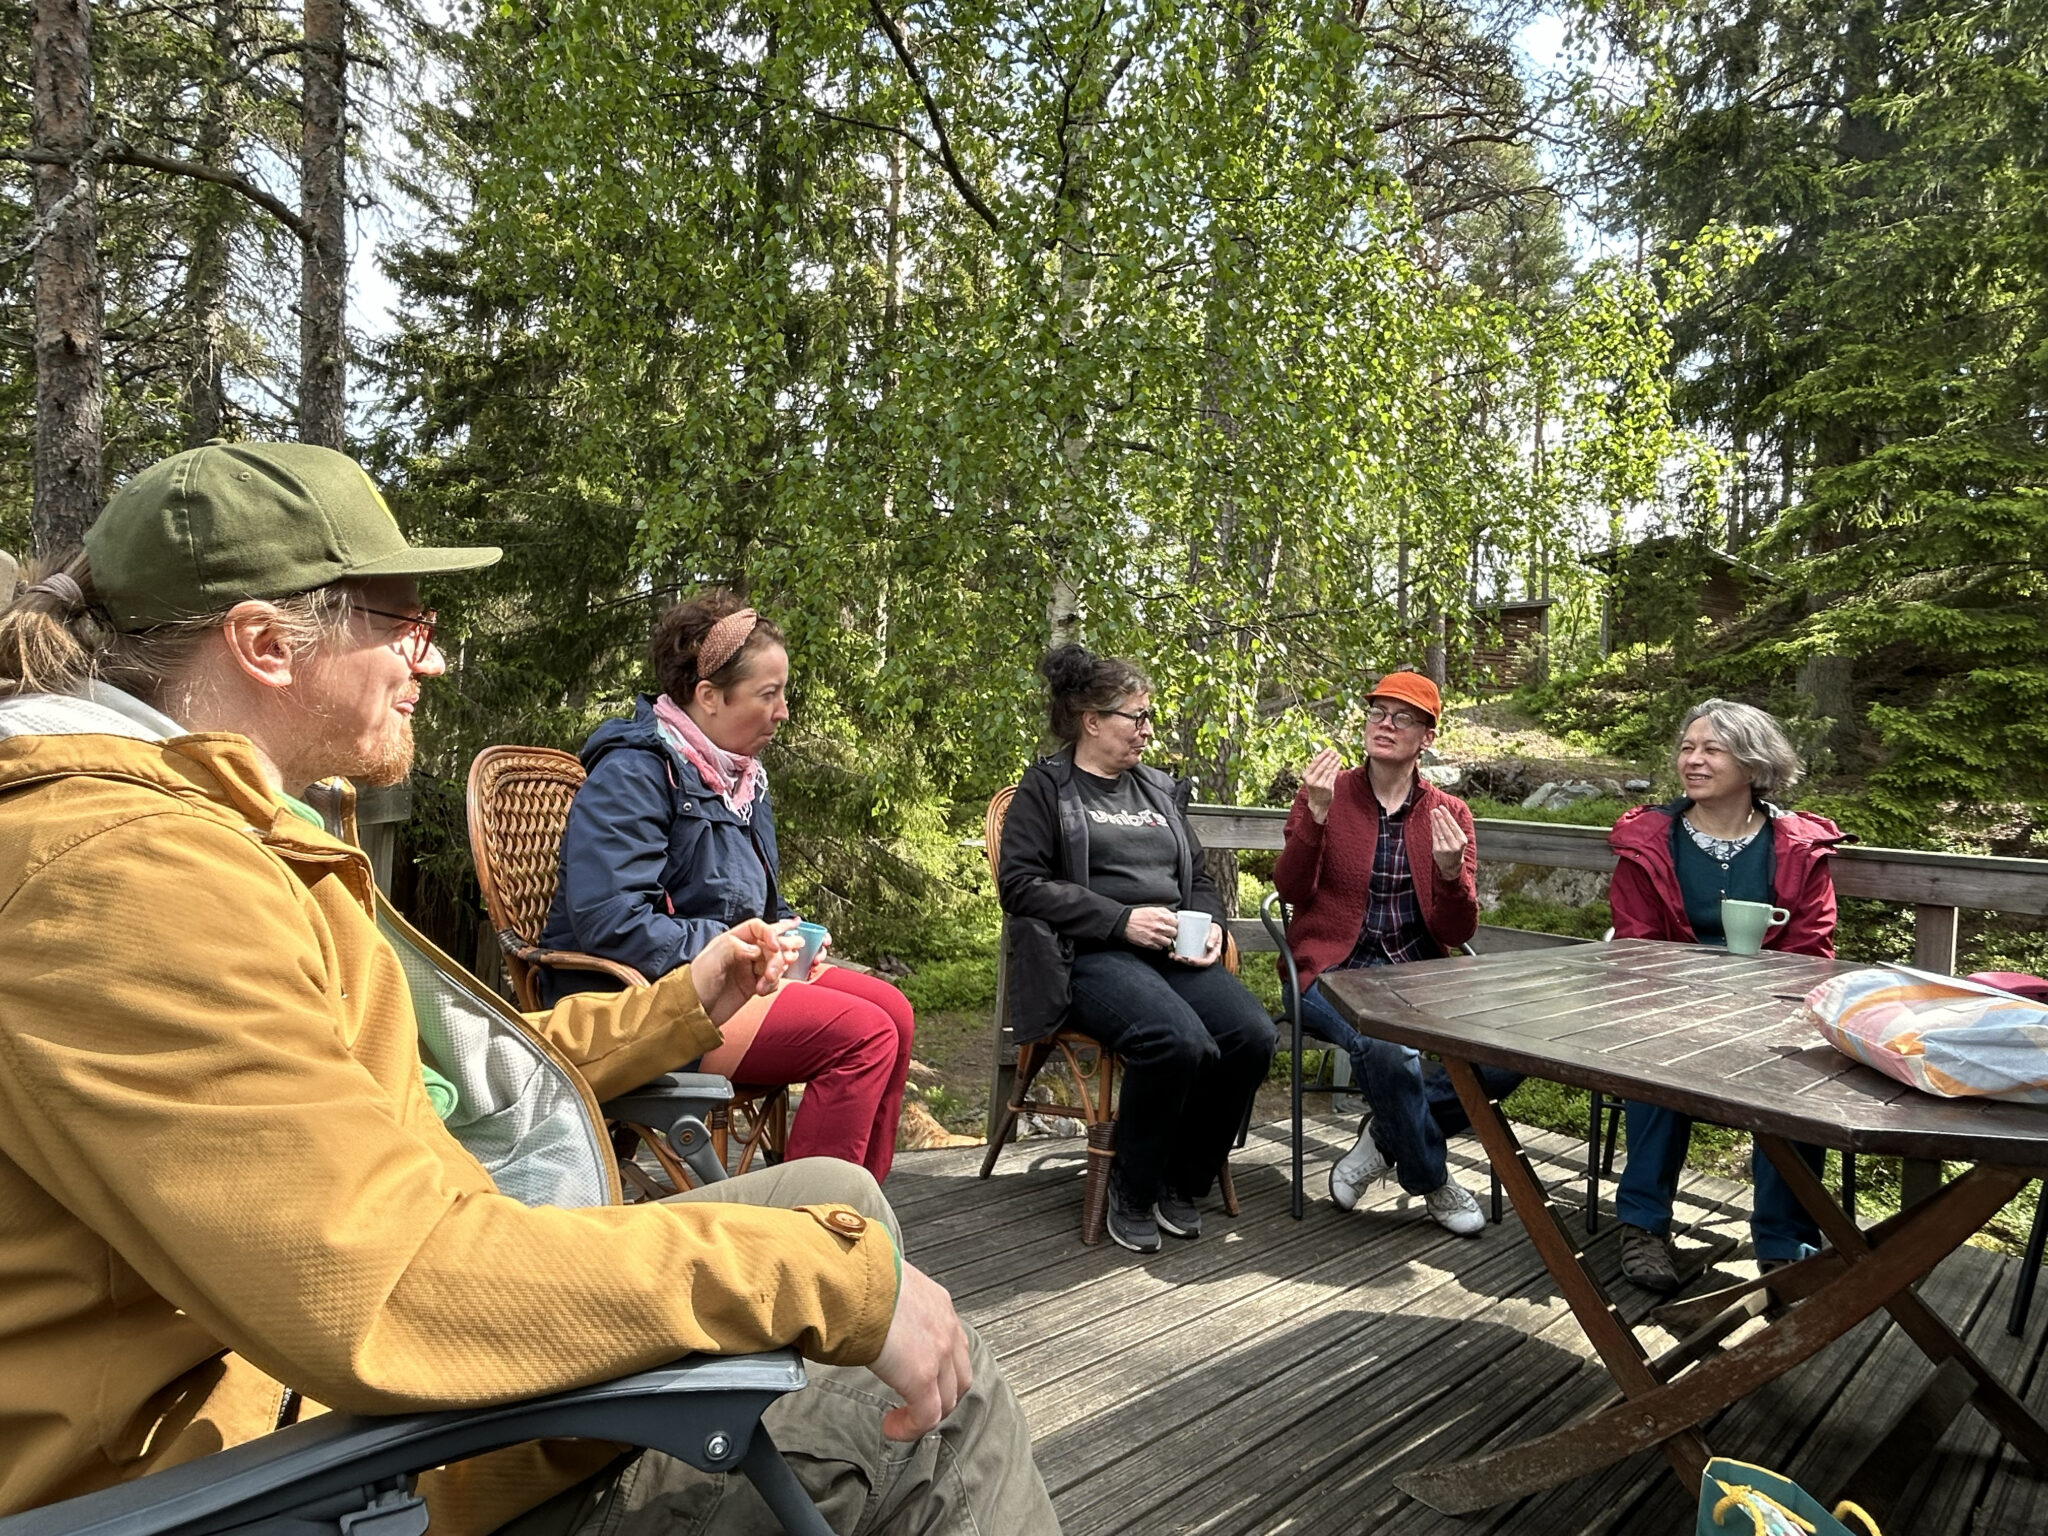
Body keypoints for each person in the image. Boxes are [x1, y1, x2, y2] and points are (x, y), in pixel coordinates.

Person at [0, 441, 1057, 1536]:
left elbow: (452, 1073)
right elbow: (385, 1286)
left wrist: (686, 997)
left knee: (836, 1198)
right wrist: (820, 1285)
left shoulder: (245, 833)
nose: (434, 660)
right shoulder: (121, 875)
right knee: (932, 1405)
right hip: (305, 1469)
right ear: (266, 644)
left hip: (365, 1374)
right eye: (405, 625)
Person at [539, 592, 916, 1181]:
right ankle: (808, 1233)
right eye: (769, 694)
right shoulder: (634, 773)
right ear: (709, 697)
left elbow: (760, 901)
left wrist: (794, 936)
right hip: (643, 996)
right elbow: (611, 922)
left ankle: (863, 1212)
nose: (784, 711)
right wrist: (735, 946)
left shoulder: (739, 778)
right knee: (860, 1037)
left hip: (726, 975)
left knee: (894, 1009)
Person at [997, 644, 1276, 1255]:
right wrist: (1119, 920)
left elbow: (1198, 875)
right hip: (1091, 956)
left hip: (1174, 952)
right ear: (1092, 721)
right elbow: (1020, 885)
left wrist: (1211, 929)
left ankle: (1183, 1177)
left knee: (1253, 1037)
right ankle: (1131, 1185)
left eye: (1150, 717)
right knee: (1176, 1041)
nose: (1148, 731)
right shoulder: (1048, 790)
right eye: (1136, 717)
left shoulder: (1157, 791)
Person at [1607, 698, 1846, 1292]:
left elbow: (1813, 948)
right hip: (1667, 1002)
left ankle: (1784, 1242)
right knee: (1655, 1057)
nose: (1693, 759)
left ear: (1753, 763)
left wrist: (1757, 1004)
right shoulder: (1650, 841)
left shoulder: (1794, 845)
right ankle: (1642, 1225)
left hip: (1767, 1010)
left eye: (1712, 749)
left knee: (1798, 1073)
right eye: (1688, 748)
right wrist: (1684, 1001)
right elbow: (1634, 940)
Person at [1274, 670, 1512, 1237]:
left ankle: (1383, 1135)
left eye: (1402, 717)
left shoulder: (1449, 813)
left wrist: (1453, 876)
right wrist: (1316, 814)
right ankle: (1432, 1180)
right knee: (1385, 1046)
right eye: (1377, 712)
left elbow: (1456, 930)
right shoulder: (1326, 795)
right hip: (1329, 971)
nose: (1385, 724)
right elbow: (1289, 890)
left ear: (1426, 737)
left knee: (1507, 1054)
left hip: (1420, 976)